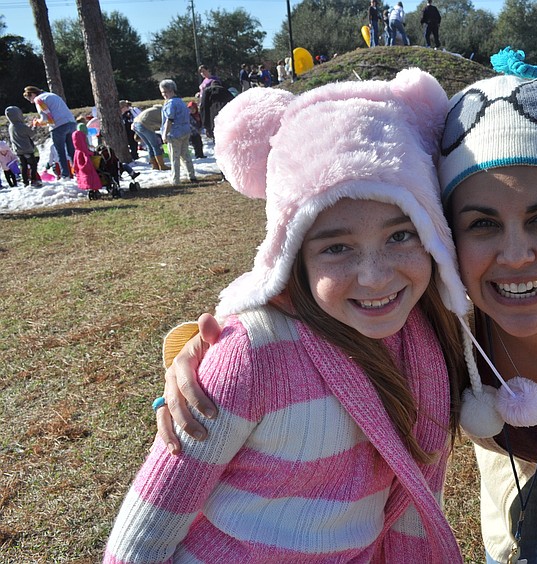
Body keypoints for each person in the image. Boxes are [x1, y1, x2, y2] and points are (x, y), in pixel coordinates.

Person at [157, 48, 537, 564]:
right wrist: (200, 352)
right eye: (481, 224)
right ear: (443, 240)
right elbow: (308, 310)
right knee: (515, 550)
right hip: (510, 448)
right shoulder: (432, 308)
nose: (514, 256)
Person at [104, 69, 471, 563]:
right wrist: (196, 351)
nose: (376, 276)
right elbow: (146, 528)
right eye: (337, 247)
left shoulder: (430, 338)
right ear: (293, 253)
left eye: (401, 236)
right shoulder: (253, 358)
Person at [22, 86, 76, 179]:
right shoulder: (51, 95)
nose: (31, 101)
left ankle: (65, 175)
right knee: (72, 151)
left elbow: (45, 118)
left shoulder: (39, 99)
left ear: (33, 94)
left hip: (58, 126)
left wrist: (37, 122)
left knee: (60, 152)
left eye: (29, 98)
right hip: (71, 122)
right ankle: (79, 172)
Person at [159, 79, 197, 185]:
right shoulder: (181, 101)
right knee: (185, 155)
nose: (164, 95)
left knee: (174, 157)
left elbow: (169, 120)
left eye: (164, 92)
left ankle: (175, 179)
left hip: (175, 133)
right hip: (185, 131)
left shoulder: (170, 104)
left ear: (170, 90)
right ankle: (192, 175)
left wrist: (164, 134)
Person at [4, 106, 42, 187]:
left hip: (18, 151)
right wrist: (34, 126)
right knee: (33, 165)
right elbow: (32, 134)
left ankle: (25, 182)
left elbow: (22, 133)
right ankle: (34, 180)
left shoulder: (11, 126)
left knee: (23, 166)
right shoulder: (21, 126)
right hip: (27, 149)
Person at [132, 105, 168, 170]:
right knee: (155, 145)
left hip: (135, 124)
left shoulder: (153, 110)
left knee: (149, 145)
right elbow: (163, 125)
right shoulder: (163, 112)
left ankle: (155, 165)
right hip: (144, 125)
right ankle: (162, 166)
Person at [71, 130, 100, 195]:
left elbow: (75, 161)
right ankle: (95, 189)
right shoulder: (84, 150)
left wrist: (75, 168)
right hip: (88, 169)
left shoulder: (76, 151)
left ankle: (91, 190)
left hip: (81, 171)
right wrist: (93, 154)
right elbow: (88, 155)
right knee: (93, 179)